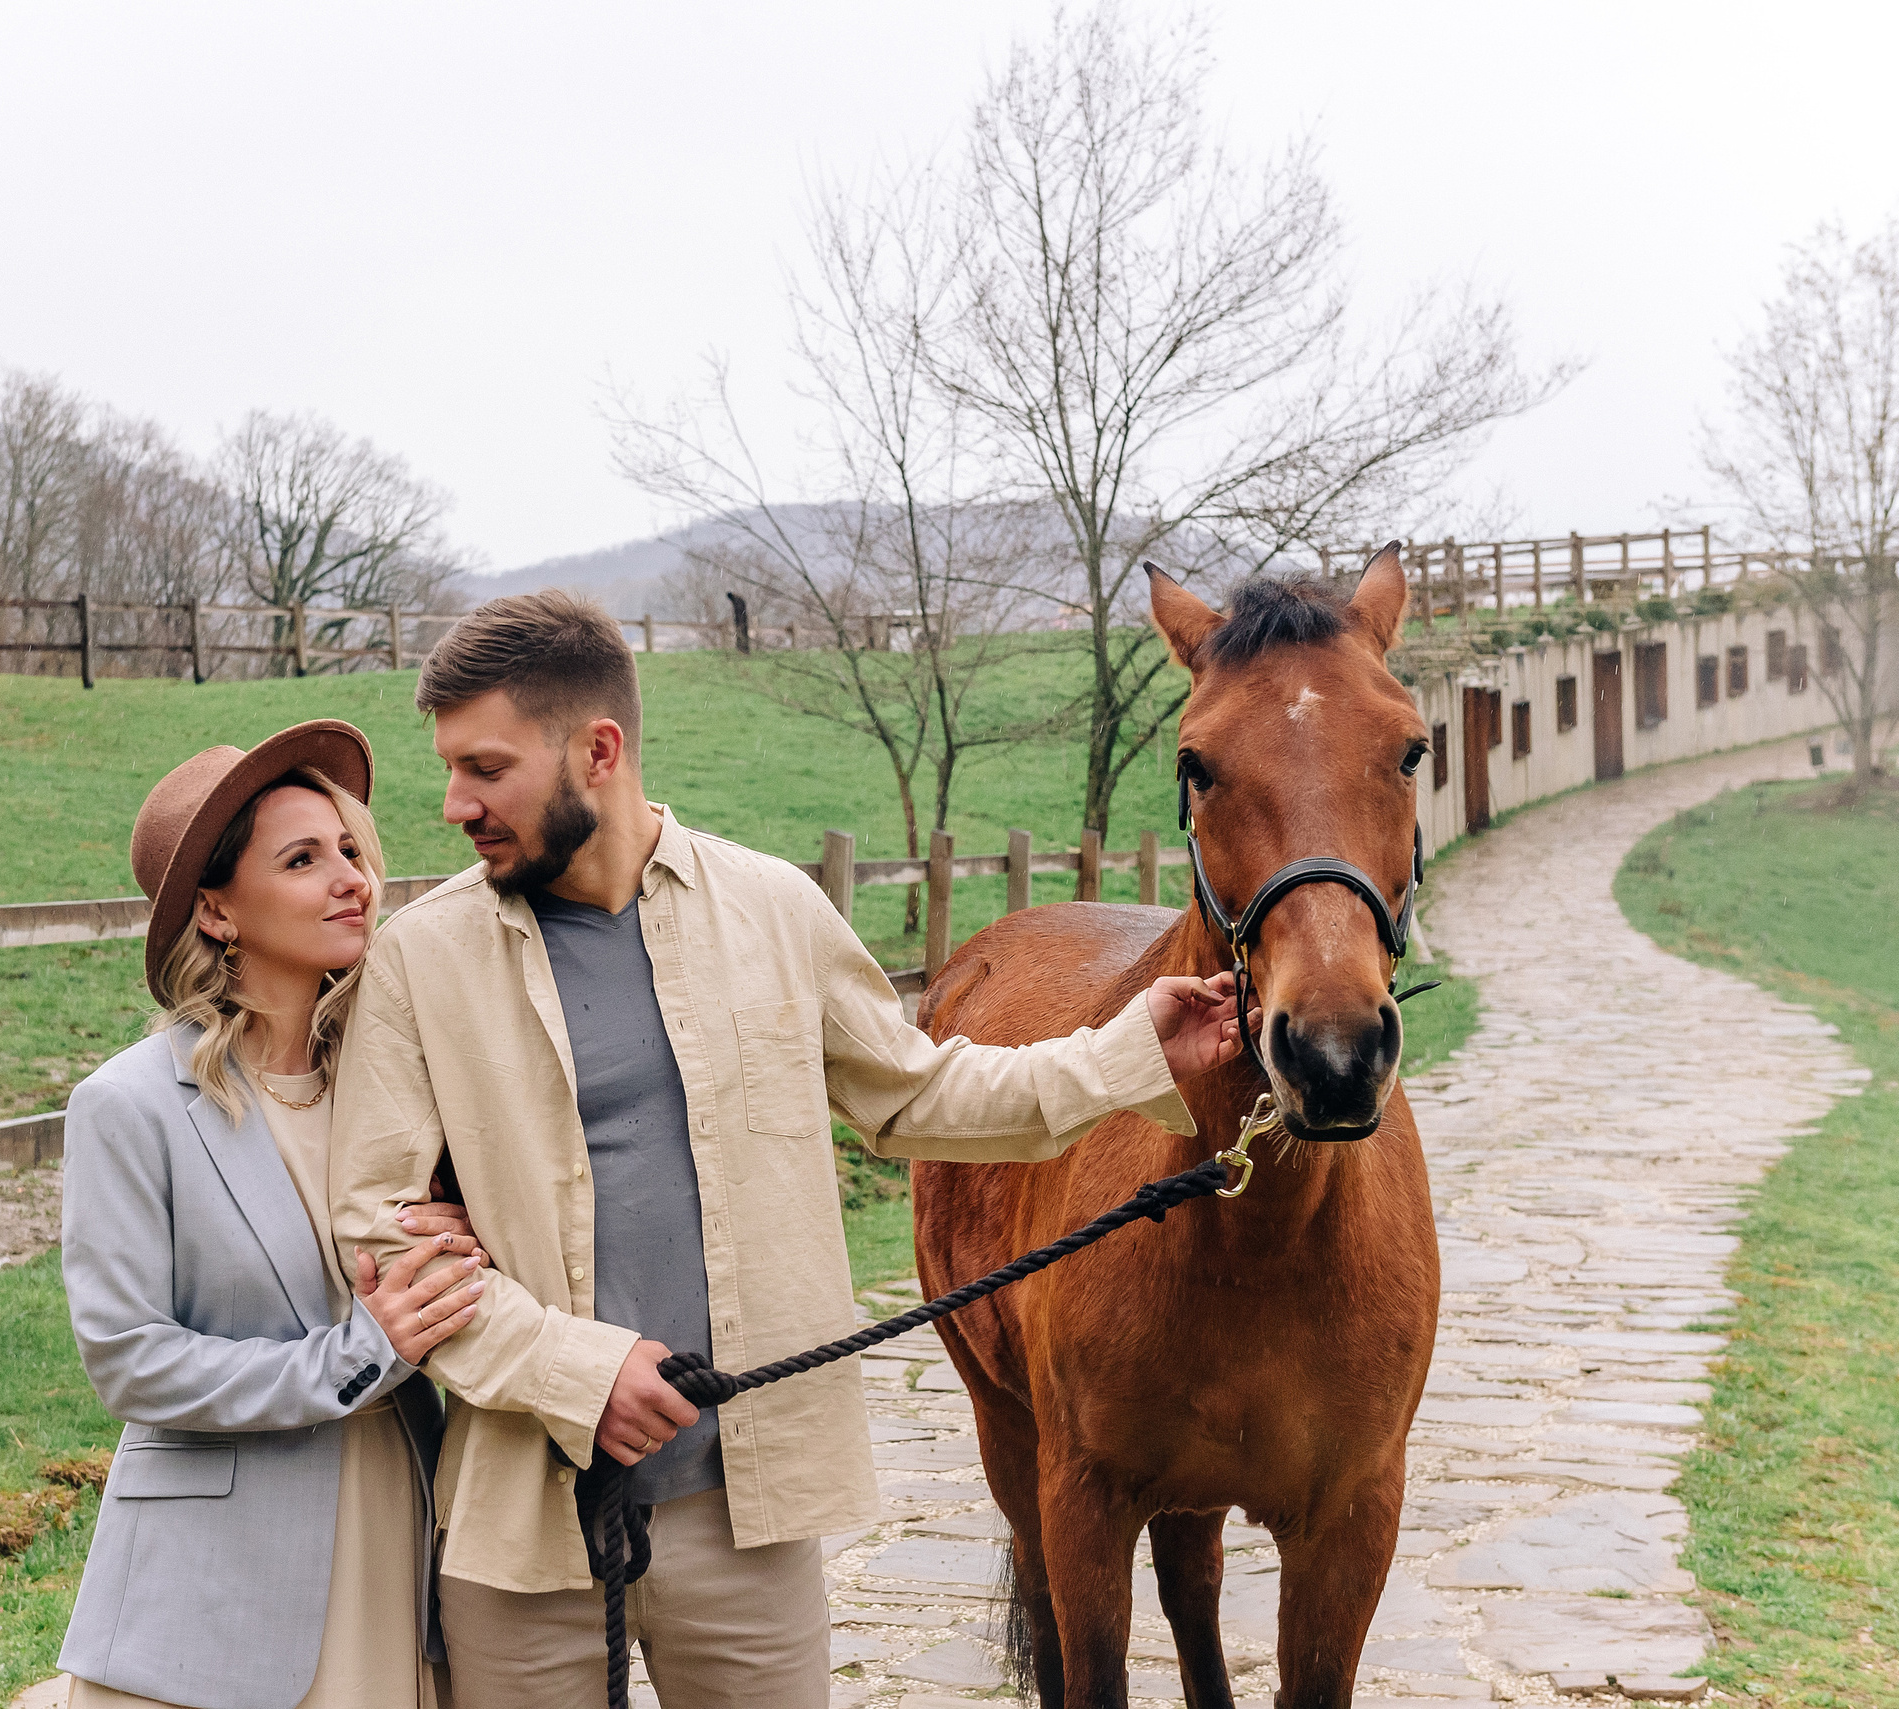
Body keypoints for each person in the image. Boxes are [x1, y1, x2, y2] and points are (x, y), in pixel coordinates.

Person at [331, 592, 1252, 1709]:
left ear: (599, 750)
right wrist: (582, 1374)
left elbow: (917, 1095)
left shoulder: (773, 907)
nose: (452, 804)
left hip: (746, 1509)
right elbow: (380, 1233)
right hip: (522, 1528)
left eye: (483, 768)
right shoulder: (416, 962)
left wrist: (1122, 1053)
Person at [57, 720, 484, 1709]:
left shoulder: (399, 1087)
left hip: (394, 1517)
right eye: (302, 859)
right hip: (214, 1581)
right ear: (216, 909)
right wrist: (355, 1352)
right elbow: (127, 1357)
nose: (350, 879)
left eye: (349, 850)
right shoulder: (129, 1105)